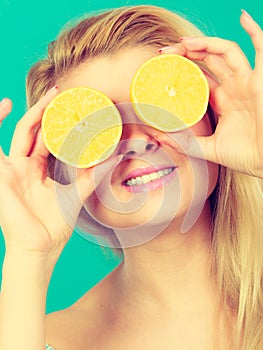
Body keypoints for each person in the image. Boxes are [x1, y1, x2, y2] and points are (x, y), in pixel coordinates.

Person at [0, 5, 263, 350]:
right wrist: (29, 254)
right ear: (60, 167)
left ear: (214, 116)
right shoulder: (46, 338)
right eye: (97, 125)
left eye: (158, 106)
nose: (137, 140)